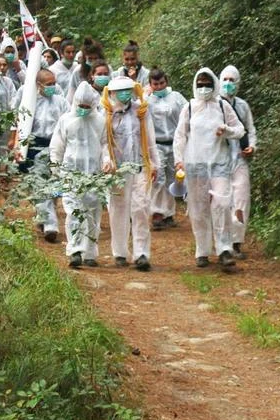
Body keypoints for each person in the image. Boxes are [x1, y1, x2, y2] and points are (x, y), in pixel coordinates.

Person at [173, 68, 244, 268]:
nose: (204, 88)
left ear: (214, 85)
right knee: (198, 208)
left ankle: (224, 249)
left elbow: (239, 130)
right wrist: (179, 160)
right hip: (195, 164)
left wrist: (226, 130)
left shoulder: (222, 105)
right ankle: (202, 250)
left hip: (219, 162)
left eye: (207, 84)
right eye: (200, 84)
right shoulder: (189, 107)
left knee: (221, 203)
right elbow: (180, 136)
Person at [101, 76, 160, 271]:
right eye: (120, 91)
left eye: (128, 89)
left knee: (141, 208)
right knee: (118, 210)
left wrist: (154, 163)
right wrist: (107, 160)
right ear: (112, 93)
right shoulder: (107, 113)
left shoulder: (140, 111)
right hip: (118, 170)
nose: (125, 94)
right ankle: (120, 252)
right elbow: (103, 142)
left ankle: (141, 253)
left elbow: (149, 138)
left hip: (139, 166)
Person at [50, 83, 106, 267]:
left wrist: (107, 161)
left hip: (94, 173)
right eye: (80, 105)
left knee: (93, 212)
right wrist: (56, 167)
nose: (83, 109)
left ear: (93, 104)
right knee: (73, 210)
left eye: (86, 106)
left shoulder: (100, 121)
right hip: (71, 172)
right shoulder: (66, 120)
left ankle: (90, 252)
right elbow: (57, 145)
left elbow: (105, 144)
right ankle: (75, 250)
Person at [11, 69, 70, 242]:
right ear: (39, 85)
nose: (52, 87)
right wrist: (16, 144)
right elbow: (20, 122)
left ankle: (43, 216)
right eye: (48, 84)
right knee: (39, 185)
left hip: (55, 146)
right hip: (35, 147)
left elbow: (68, 122)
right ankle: (51, 225)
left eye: (54, 83)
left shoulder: (60, 102)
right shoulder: (30, 102)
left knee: (53, 185)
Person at [219, 65, 256, 259]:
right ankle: (222, 242)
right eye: (225, 80)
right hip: (220, 160)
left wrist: (252, 146)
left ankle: (236, 242)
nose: (228, 84)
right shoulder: (214, 105)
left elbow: (251, 129)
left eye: (231, 80)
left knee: (241, 199)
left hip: (240, 159)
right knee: (222, 202)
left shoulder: (242, 106)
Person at [145, 68, 186, 230]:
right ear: (150, 84)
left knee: (172, 178)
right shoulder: (147, 101)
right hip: (157, 144)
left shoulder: (176, 97)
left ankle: (168, 213)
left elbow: (186, 114)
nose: (159, 87)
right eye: (155, 84)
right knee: (158, 178)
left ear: (166, 82)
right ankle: (156, 213)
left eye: (161, 83)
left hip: (174, 143)